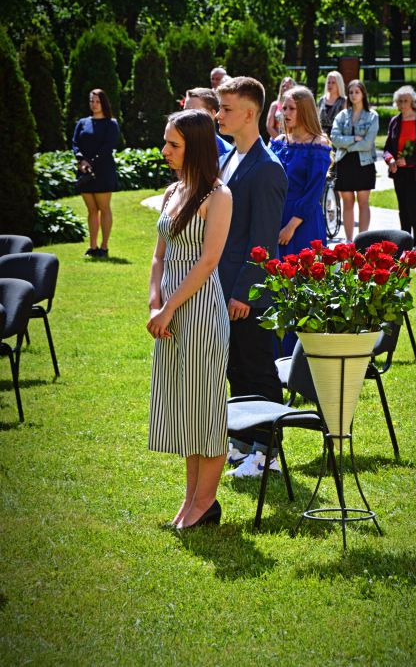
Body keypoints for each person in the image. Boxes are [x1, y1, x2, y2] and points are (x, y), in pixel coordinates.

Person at [147, 109, 232, 529]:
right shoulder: (172, 191)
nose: (165, 150)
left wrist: (169, 308)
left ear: (195, 147)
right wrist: (154, 304)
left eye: (173, 144)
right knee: (185, 408)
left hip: (199, 312)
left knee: (206, 409)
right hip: (170, 313)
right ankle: (191, 501)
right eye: (166, 141)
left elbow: (208, 261)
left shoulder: (219, 195)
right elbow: (159, 256)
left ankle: (205, 502)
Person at [216, 76, 288, 478]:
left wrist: (244, 292)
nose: (219, 115)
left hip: (249, 295)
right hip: (222, 287)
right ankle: (242, 443)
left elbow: (263, 242)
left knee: (259, 370)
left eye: (226, 109)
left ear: (249, 113)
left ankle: (268, 453)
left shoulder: (267, 168)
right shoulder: (229, 158)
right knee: (235, 369)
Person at [270, 85, 332, 356]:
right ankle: (276, 353)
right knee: (277, 285)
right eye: (283, 107)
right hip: (277, 217)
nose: (285, 113)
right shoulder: (278, 142)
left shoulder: (318, 146)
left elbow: (314, 191)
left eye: (291, 108)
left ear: (304, 110)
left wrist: (291, 225)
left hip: (303, 223)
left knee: (303, 285)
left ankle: (302, 354)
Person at [383, 86, 416, 252]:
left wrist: (408, 160)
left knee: (413, 206)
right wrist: (391, 160)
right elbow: (387, 148)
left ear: (413, 101)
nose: (402, 104)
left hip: (415, 170)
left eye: (405, 100)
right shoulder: (395, 121)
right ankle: (405, 242)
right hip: (398, 170)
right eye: (399, 101)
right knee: (403, 208)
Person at [72, 89, 120, 257]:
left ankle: (104, 247)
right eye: (91, 101)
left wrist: (91, 162)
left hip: (103, 170)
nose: (94, 104)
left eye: (97, 101)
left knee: (104, 208)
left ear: (104, 103)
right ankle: (92, 247)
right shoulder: (82, 122)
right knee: (91, 210)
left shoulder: (111, 123)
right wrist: (81, 160)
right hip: (84, 172)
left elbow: (108, 147)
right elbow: (75, 143)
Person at [331, 79, 379, 242]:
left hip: (364, 164)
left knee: (363, 203)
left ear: (363, 94)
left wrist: (347, 146)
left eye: (357, 92)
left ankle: (362, 241)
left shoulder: (372, 116)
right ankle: (349, 241)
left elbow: (367, 144)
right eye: (351, 92)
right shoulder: (341, 116)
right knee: (347, 203)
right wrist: (353, 139)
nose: (353, 95)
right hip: (344, 163)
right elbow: (334, 139)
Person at [183, 87, 232, 156]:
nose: (185, 116)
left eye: (194, 111)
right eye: (185, 111)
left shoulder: (227, 154)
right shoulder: (177, 144)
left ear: (212, 114)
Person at [317, 70, 346, 136]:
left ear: (339, 84)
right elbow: (317, 120)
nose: (330, 85)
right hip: (322, 136)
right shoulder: (322, 100)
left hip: (337, 136)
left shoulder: (344, 101)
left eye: (333, 83)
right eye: (328, 82)